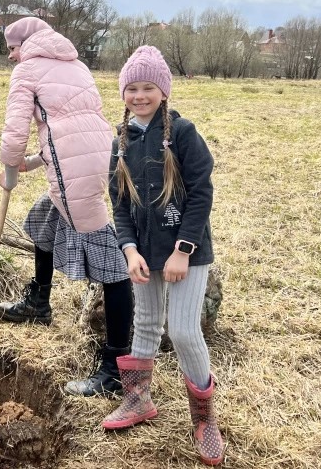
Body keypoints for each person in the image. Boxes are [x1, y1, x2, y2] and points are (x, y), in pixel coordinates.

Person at [0, 17, 133, 398]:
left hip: (73, 167)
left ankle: (118, 366)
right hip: (100, 154)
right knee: (42, 220)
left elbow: (15, 130)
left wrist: (10, 170)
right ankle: (39, 301)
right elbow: (72, 124)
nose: (10, 56)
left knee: (110, 261)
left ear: (27, 44)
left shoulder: (27, 70)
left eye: (12, 47)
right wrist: (34, 163)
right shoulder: (75, 64)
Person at [101, 46, 224, 465]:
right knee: (147, 322)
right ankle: (138, 401)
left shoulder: (183, 133)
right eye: (132, 88)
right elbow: (119, 204)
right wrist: (130, 249)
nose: (139, 95)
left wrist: (183, 250)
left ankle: (205, 418)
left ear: (163, 90)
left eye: (148, 87)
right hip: (145, 252)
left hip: (186, 251)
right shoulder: (119, 142)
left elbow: (202, 192)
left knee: (185, 330)